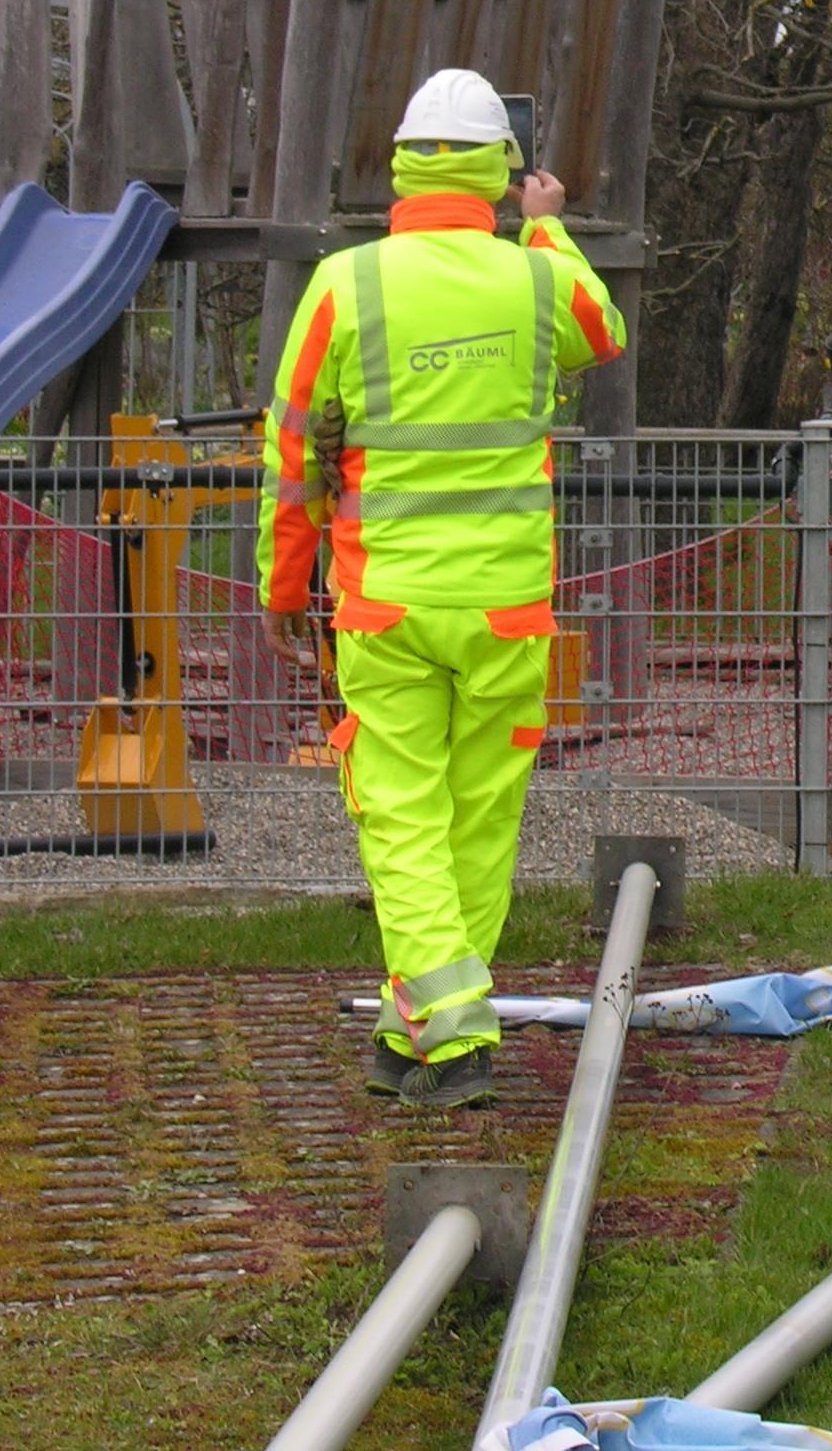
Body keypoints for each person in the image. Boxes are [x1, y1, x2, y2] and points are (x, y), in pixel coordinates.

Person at [259, 66, 626, 1110]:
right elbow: (604, 334)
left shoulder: (349, 285)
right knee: (476, 822)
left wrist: (285, 588)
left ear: (404, 167)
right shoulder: (534, 278)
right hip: (508, 614)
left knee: (402, 813)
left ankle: (446, 1033)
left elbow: (291, 458)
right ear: (502, 175)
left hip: (385, 610)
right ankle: (415, 1026)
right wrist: (547, 231)